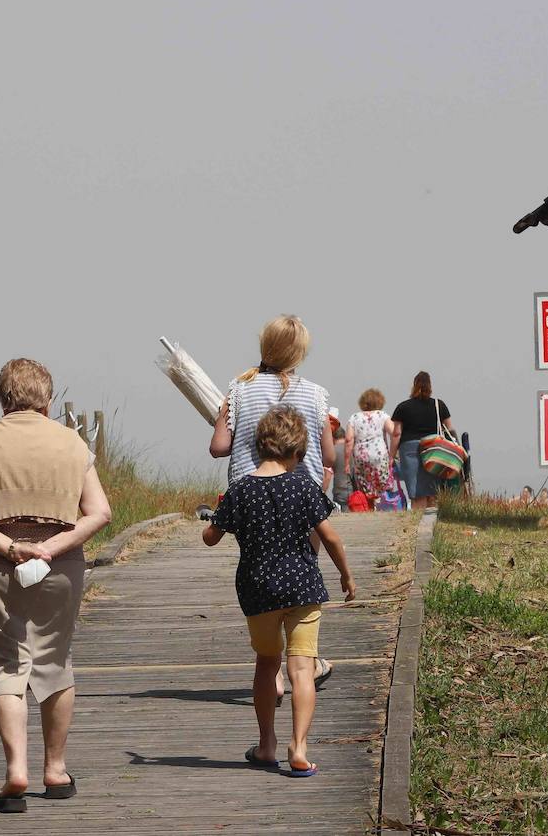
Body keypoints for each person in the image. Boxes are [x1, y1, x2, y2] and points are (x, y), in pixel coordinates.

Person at [0, 359, 112, 812]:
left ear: (2, 398)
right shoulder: (72, 444)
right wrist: (53, 545)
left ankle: (15, 772)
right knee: (54, 661)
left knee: (7, 665)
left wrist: (9, 547)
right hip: (59, 566)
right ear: (47, 398)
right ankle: (56, 771)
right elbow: (99, 512)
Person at [202, 406, 355, 778]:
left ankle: (266, 743)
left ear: (258, 447)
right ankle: (299, 747)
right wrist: (346, 577)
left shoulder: (240, 490)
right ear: (299, 452)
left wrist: (217, 517)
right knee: (302, 669)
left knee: (267, 664)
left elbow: (209, 538)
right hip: (303, 587)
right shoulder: (303, 485)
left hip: (259, 591)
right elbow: (330, 537)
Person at [210, 315, 336, 697]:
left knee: (262, 573)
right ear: (299, 353)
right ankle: (304, 663)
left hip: (250, 497)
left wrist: (223, 414)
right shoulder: (316, 394)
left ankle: (272, 670)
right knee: (302, 576)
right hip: (304, 496)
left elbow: (218, 448)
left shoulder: (238, 389)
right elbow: (329, 453)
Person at [390, 371, 454, 509]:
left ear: (414, 386)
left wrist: (391, 456)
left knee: (416, 493)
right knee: (433, 492)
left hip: (409, 450)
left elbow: (396, 434)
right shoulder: (439, 405)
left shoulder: (403, 407)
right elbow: (450, 429)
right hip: (434, 450)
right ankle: (430, 522)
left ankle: (416, 521)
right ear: (430, 386)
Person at [346, 389, 394, 499]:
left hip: (361, 457)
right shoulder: (382, 415)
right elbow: (394, 432)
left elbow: (349, 439)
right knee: (382, 484)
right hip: (380, 455)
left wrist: (347, 463)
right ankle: (382, 505)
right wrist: (392, 453)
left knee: (365, 486)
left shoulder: (354, 417)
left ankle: (369, 507)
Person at [329, 411, 352, 511]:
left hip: (340, 489)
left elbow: (327, 473)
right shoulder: (353, 449)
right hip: (356, 491)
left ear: (333, 437)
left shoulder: (332, 451)